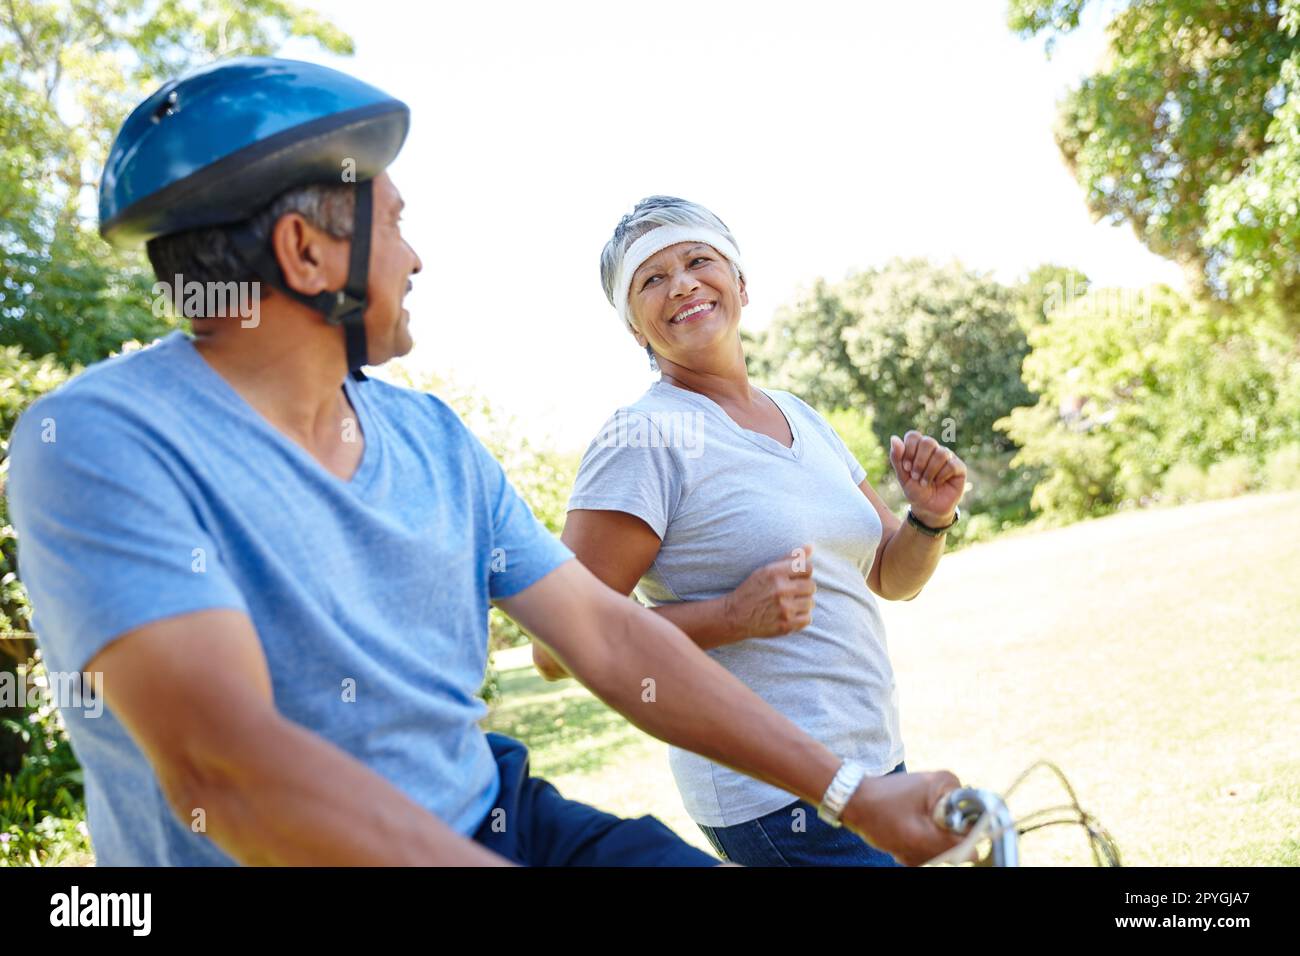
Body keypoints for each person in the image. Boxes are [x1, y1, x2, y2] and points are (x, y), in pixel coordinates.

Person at [5, 59, 964, 867]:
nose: (417, 259)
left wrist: (851, 793)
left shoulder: (434, 439)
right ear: (304, 251)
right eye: (396, 221)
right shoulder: (102, 443)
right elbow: (226, 771)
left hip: (497, 818)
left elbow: (606, 637)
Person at [533, 196, 968, 866]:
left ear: (740, 283)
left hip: (875, 760)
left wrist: (929, 515)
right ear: (634, 328)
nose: (681, 282)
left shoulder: (798, 413)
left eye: (698, 260)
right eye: (651, 279)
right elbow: (557, 647)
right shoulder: (642, 437)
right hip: (772, 795)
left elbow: (891, 575)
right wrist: (730, 616)